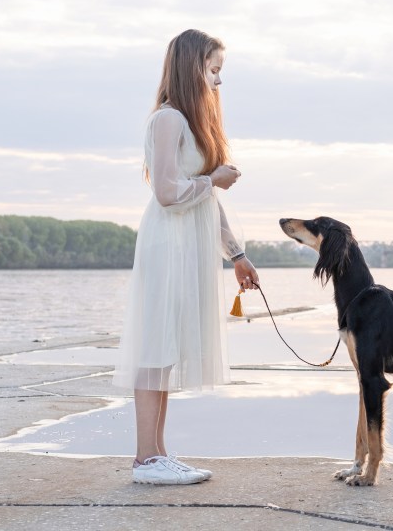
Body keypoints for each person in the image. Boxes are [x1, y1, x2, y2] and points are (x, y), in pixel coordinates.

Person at [112, 29, 259, 485]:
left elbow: (206, 204)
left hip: (189, 245)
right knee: (155, 347)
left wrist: (236, 253)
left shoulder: (193, 124)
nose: (218, 81)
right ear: (192, 66)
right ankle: (145, 460)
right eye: (214, 70)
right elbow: (167, 193)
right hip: (167, 244)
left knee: (167, 350)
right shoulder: (168, 119)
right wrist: (213, 179)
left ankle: (157, 455)